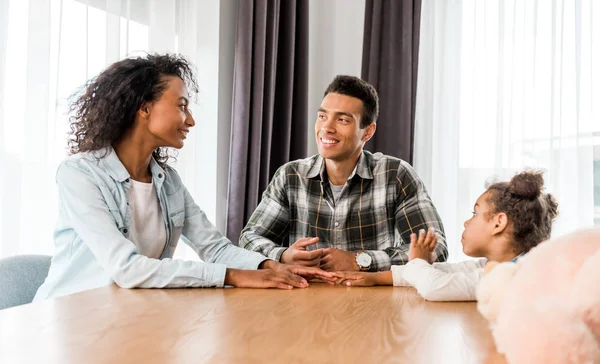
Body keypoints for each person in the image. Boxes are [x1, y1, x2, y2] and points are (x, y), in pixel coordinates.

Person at [34, 54, 335, 301]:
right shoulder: (80, 174)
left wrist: (270, 266)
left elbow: (215, 248)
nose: (190, 120)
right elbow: (125, 269)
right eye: (181, 106)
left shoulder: (168, 181)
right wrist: (232, 275)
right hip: (66, 322)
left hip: (128, 316)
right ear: (144, 107)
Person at [239, 75, 448, 272]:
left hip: (374, 302)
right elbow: (249, 239)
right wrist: (283, 255)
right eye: (322, 116)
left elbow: (435, 249)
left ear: (368, 131)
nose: (327, 128)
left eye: (342, 120)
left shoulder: (396, 175)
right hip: (305, 299)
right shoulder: (290, 176)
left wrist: (360, 260)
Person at [334, 171, 559, 301]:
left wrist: (419, 262)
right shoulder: (495, 266)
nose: (466, 222)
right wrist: (375, 278)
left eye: (475, 213)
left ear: (498, 223)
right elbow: (448, 271)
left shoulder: (509, 277)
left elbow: (435, 287)